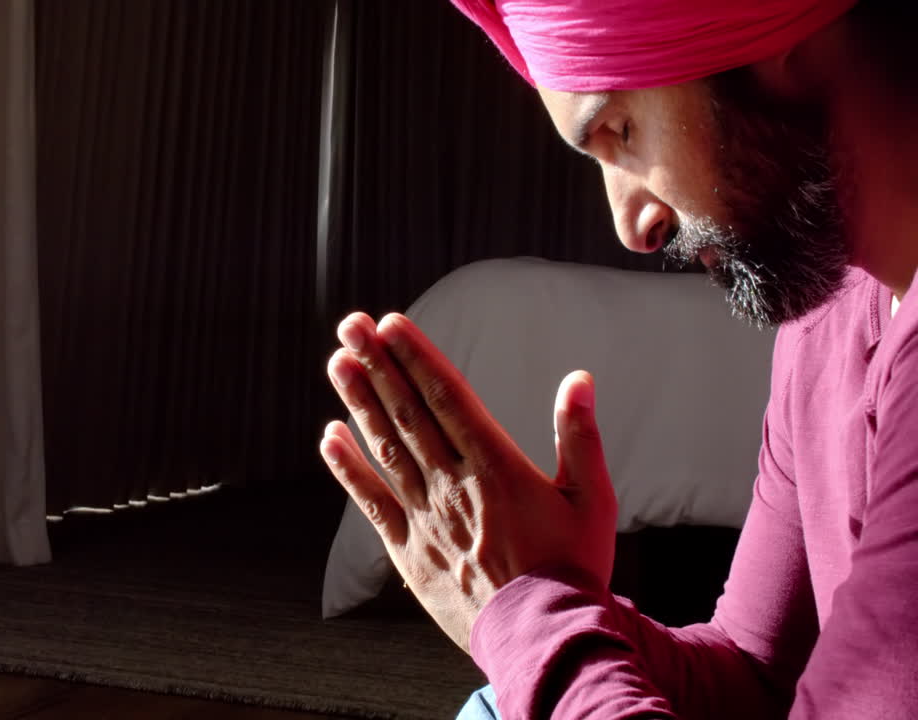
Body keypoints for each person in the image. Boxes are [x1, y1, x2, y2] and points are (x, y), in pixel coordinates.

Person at [317, 1, 918, 717]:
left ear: (771, 38)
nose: (632, 226)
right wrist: (548, 592)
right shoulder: (825, 317)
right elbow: (756, 673)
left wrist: (528, 612)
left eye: (621, 131)